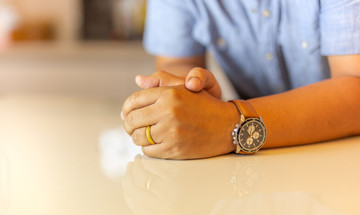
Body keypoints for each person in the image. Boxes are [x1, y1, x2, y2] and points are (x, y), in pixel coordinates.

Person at [121, 0, 360, 159]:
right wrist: (189, 93)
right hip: (257, 168)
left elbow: (356, 92)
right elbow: (175, 64)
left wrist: (228, 123)